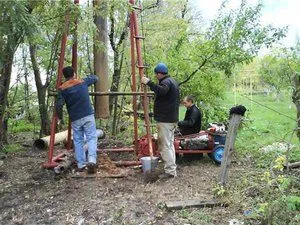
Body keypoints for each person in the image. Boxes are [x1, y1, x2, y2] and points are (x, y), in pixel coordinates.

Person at [56, 66, 98, 174]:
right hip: (87, 114)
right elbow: (95, 78)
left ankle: (81, 164)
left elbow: (59, 105)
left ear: (65, 76)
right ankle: (92, 160)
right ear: (74, 73)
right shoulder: (82, 82)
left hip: (75, 118)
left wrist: (60, 117)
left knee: (78, 141)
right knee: (91, 138)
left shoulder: (62, 88)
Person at [141, 62, 180, 179]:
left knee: (164, 146)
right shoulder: (172, 81)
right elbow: (166, 99)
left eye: (156, 75)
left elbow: (161, 91)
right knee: (169, 145)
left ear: (159, 74)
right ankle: (171, 168)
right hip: (170, 119)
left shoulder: (166, 82)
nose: (155, 77)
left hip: (166, 121)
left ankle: (170, 171)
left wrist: (149, 83)